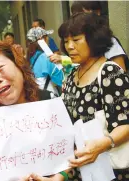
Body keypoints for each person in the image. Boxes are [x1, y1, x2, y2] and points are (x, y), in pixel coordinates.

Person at [0, 41, 68, 181]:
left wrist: (59, 177)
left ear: (18, 64)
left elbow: (71, 150)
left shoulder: (48, 101)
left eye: (0, 68)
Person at [59, 12, 129, 180]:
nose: (69, 46)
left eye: (76, 40)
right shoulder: (71, 76)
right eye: (66, 41)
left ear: (94, 39)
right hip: (84, 169)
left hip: (113, 172)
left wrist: (103, 144)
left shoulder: (109, 72)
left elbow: (126, 123)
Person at [60, 1, 128, 71]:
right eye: (75, 14)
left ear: (97, 13)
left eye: (82, 14)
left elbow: (119, 72)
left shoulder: (108, 41)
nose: (78, 18)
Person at [26, 27, 64, 96]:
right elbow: (61, 79)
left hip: (36, 97)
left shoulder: (29, 58)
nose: (48, 39)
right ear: (42, 39)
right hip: (49, 98)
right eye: (47, 37)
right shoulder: (47, 57)